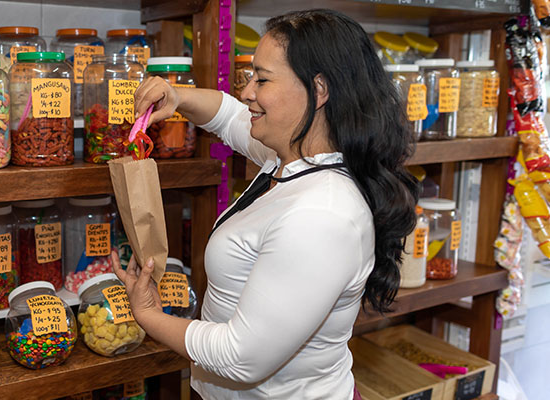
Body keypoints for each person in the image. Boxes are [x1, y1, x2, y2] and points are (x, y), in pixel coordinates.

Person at [113, 9, 418, 399]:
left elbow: (241, 357)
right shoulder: (290, 158)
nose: (247, 91)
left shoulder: (322, 214)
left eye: (263, 79)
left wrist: (148, 316)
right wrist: (178, 96)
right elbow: (228, 115)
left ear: (319, 90)